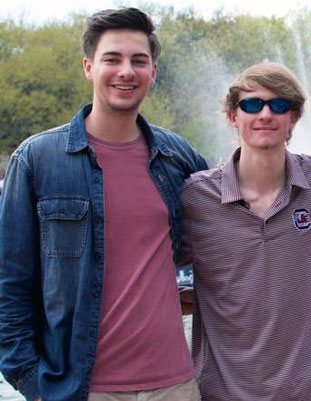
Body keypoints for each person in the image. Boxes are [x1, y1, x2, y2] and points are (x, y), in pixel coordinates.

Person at [0, 8, 208, 401]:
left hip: (175, 385)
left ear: (153, 72)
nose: (126, 71)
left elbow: (226, 236)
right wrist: (33, 383)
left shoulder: (178, 158)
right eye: (112, 59)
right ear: (88, 68)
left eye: (138, 60)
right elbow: (11, 285)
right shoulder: (37, 160)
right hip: (80, 389)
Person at [179, 62, 311, 400]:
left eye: (279, 105)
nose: (265, 114)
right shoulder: (196, 197)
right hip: (220, 391)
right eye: (252, 104)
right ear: (233, 116)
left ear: (294, 117)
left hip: (309, 391)